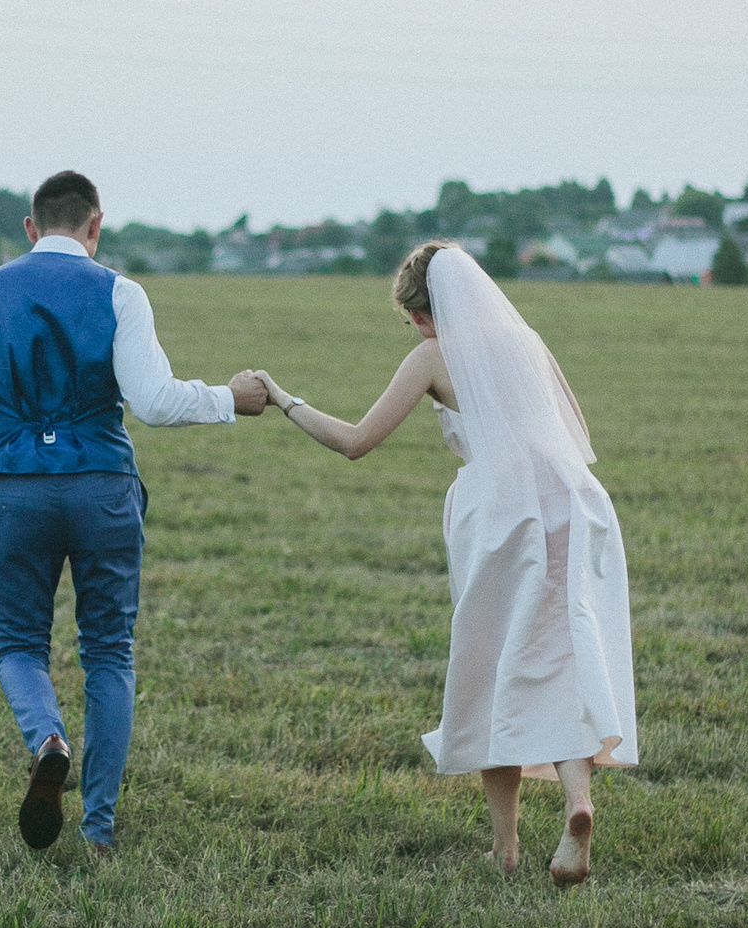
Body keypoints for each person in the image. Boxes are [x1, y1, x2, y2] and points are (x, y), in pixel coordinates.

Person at [0, 170, 266, 855]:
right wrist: (231, 397)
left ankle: (48, 737)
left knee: (18, 644)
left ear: (29, 227)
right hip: (103, 487)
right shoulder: (121, 292)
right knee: (109, 650)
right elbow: (156, 401)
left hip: (14, 490)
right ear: (95, 225)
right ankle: (99, 827)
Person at [249, 241, 637, 884]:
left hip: (507, 516)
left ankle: (506, 848)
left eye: (414, 321)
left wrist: (285, 400)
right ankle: (578, 801)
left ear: (426, 315)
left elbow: (355, 441)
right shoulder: (527, 343)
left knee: (492, 669)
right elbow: (574, 429)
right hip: (576, 502)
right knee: (562, 661)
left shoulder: (433, 356)